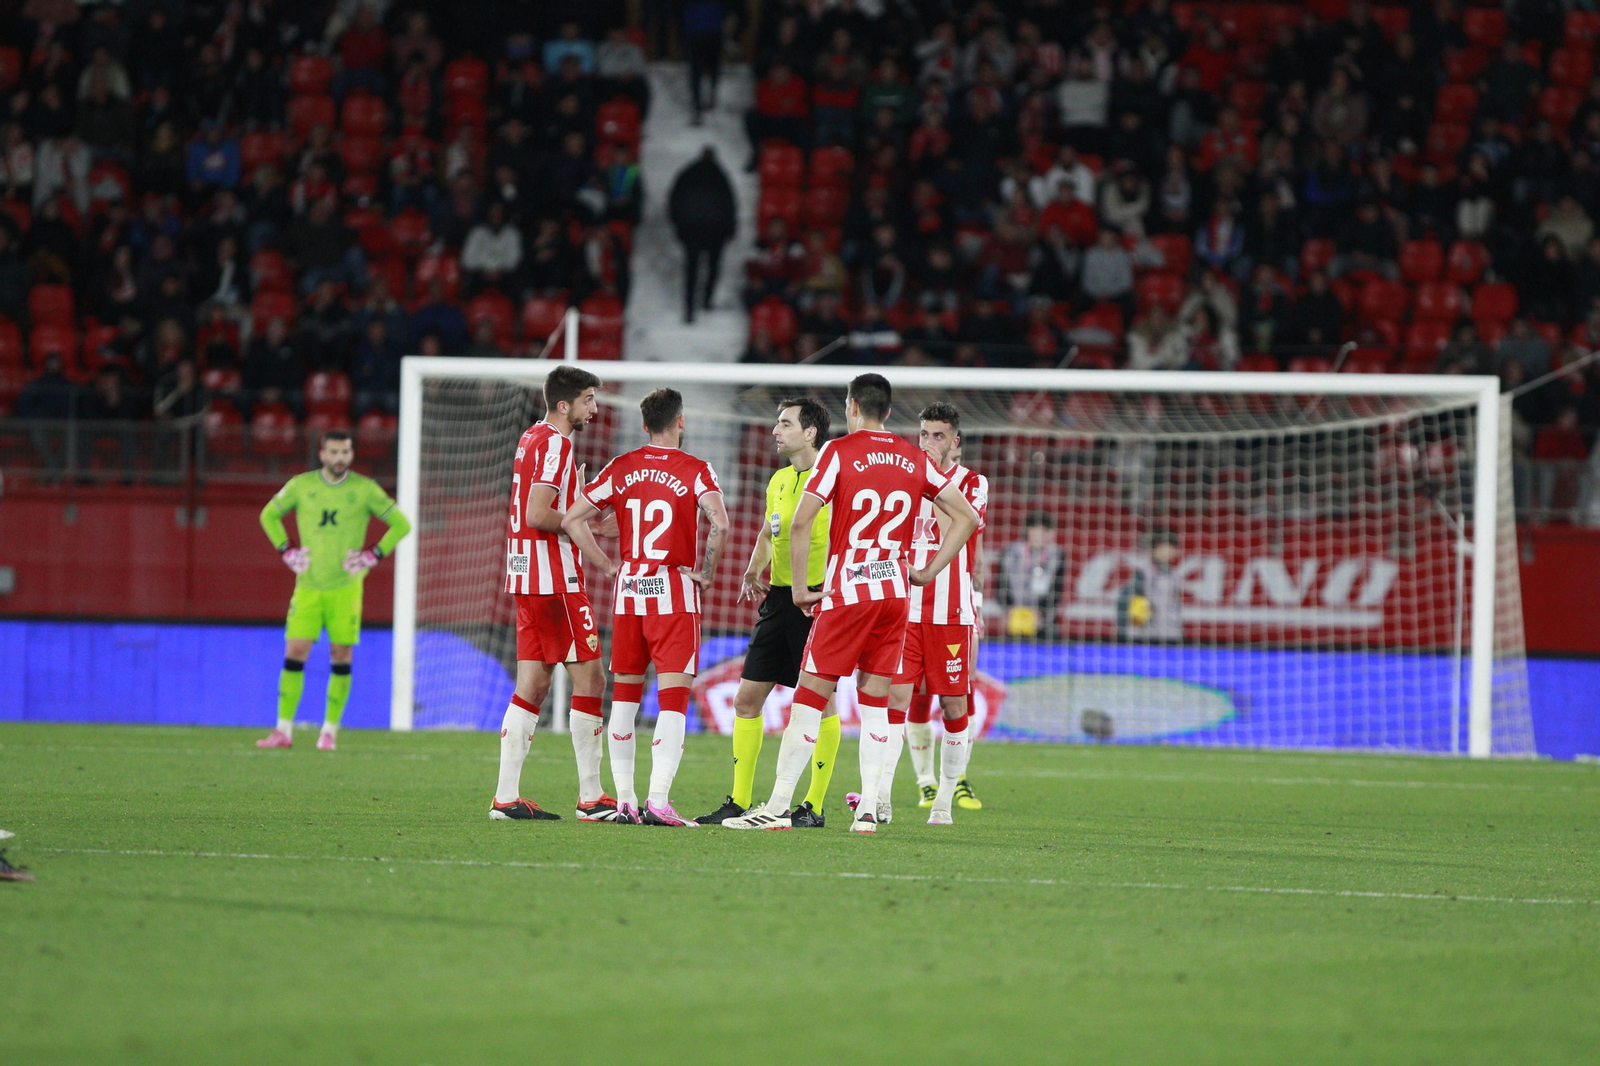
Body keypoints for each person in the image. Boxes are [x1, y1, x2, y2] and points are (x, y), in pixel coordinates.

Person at [724, 373, 979, 833]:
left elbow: (802, 523)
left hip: (849, 591)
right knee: (876, 702)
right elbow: (967, 517)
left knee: (808, 697)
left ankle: (779, 804)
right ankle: (867, 812)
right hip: (895, 594)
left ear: (853, 406)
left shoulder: (839, 452)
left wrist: (800, 588)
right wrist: (926, 572)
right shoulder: (913, 457)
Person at [561, 389, 729, 826]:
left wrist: (605, 565)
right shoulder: (696, 470)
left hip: (630, 591)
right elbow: (720, 521)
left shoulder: (622, 467)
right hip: (673, 593)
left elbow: (573, 519)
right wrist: (707, 571)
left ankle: (625, 800)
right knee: (672, 701)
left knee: (625, 700)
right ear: (681, 422)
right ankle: (658, 799)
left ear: (643, 425)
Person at [694, 398, 837, 827]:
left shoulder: (832, 480)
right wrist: (754, 567)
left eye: (785, 423)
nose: (775, 430)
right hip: (777, 600)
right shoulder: (778, 479)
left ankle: (812, 805)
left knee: (820, 706)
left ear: (810, 432)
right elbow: (768, 528)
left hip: (814, 601)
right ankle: (738, 800)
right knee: (746, 700)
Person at [857, 402, 989, 825]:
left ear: (956, 441)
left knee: (953, 704)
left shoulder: (973, 483)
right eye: (924, 434)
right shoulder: (904, 473)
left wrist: (979, 605)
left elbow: (955, 523)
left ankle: (945, 801)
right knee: (894, 697)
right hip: (905, 609)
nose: (929, 442)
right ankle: (880, 796)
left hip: (951, 613)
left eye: (938, 435)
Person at [492, 365, 612, 822]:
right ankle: (591, 797)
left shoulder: (531, 437)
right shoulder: (557, 443)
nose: (594, 409)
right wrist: (584, 524)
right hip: (554, 579)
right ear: (565, 405)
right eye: (587, 401)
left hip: (526, 577)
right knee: (592, 680)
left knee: (534, 684)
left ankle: (506, 798)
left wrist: (577, 506)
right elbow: (538, 513)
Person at [256, 430, 412, 751]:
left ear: (351, 455)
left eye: (346, 452)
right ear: (323, 455)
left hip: (346, 588)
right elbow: (269, 515)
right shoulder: (301, 486)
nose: (340, 458)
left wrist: (372, 554)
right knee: (295, 651)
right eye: (335, 452)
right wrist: (287, 550)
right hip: (308, 587)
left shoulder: (365, 490)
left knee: (341, 655)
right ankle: (283, 730)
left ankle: (329, 731)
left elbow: (401, 524)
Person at [668, 147, 736, 323]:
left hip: (695, 229)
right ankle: (705, 301)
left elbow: (674, 200)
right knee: (711, 268)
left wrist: (677, 225)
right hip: (713, 230)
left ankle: (691, 308)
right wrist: (730, 229)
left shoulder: (688, 173)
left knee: (692, 270)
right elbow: (730, 204)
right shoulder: (720, 176)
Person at [998, 510, 1064, 638]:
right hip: (1014, 616)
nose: (1040, 535)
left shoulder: (1057, 554)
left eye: (1045, 531)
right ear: (1028, 530)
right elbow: (1000, 584)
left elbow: (1057, 589)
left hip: (1044, 620)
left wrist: (1042, 613)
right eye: (1036, 530)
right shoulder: (1010, 552)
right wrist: (1008, 608)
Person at [1117, 529, 1184, 642]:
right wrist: (1124, 633)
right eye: (1170, 547)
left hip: (1170, 634)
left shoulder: (1172, 574)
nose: (1173, 552)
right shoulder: (1144, 573)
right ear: (1158, 546)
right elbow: (1123, 603)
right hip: (1146, 636)